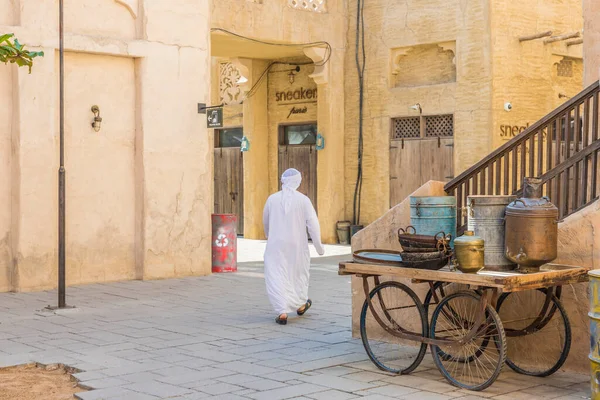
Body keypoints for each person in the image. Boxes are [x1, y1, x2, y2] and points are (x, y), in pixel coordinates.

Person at [263, 168, 324, 325]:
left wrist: (269, 236)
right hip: (297, 246)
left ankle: (282, 311)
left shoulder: (272, 199)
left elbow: (266, 221)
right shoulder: (304, 200)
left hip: (276, 245)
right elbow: (313, 224)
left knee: (276, 275)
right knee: (298, 274)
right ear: (297, 181)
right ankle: (301, 303)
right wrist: (319, 247)